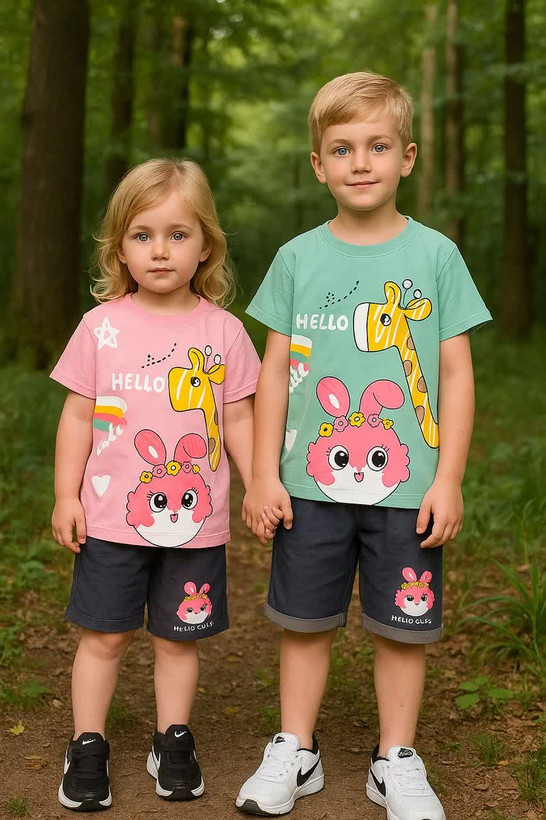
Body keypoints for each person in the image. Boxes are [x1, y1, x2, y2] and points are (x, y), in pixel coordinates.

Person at [237, 72, 492, 819]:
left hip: (408, 488)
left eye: (378, 146)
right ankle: (296, 748)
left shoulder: (436, 256)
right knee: (305, 623)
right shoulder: (296, 258)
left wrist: (449, 478)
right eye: (342, 148)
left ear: (407, 157)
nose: (360, 162)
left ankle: (395, 760)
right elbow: (273, 371)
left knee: (402, 628)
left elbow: (456, 373)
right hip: (308, 486)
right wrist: (263, 475)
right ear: (318, 165)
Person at [50, 158, 260, 811]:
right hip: (110, 520)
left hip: (196, 524)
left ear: (205, 246)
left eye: (177, 234)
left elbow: (238, 417)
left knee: (178, 637)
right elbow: (77, 416)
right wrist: (65, 495)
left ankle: (172, 739)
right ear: (120, 248)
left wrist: (258, 484)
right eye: (142, 235)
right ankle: (87, 744)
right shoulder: (101, 327)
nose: (160, 250)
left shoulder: (222, 331)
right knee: (105, 636)